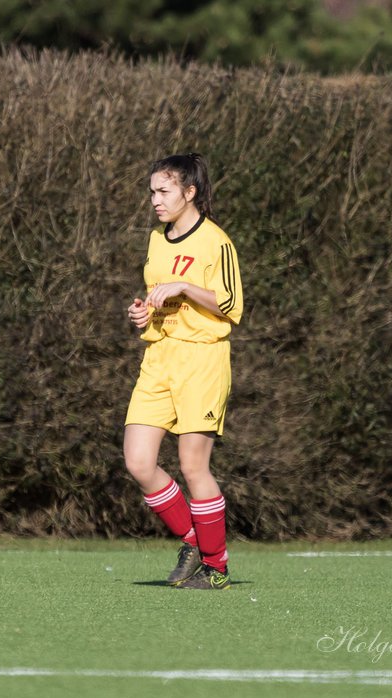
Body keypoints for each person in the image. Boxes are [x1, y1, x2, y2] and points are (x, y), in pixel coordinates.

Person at [124, 153, 243, 590]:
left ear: (189, 193)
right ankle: (195, 540)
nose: (154, 200)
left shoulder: (216, 242)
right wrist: (144, 313)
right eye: (152, 191)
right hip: (159, 358)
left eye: (163, 191)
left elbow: (232, 306)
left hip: (202, 360)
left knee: (194, 467)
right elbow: (159, 296)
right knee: (138, 462)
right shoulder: (157, 239)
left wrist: (187, 287)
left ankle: (216, 570)